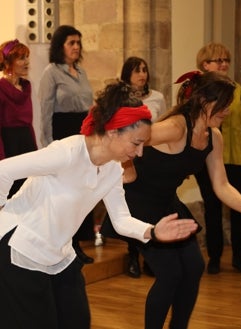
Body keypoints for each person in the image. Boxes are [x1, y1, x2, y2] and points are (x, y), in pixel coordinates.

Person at [0, 81, 198, 329]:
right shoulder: (67, 152)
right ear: (113, 131)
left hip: (59, 253)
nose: (139, 153)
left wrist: (153, 231)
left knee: (77, 320)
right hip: (20, 249)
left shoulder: (112, 169)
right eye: (136, 143)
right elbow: (3, 170)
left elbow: (121, 219)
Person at [101, 71, 241, 329]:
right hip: (139, 203)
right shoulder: (175, 128)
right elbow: (129, 136)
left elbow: (222, 184)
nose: (228, 110)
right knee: (171, 274)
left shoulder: (213, 137)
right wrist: (127, 168)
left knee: (194, 267)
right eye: (224, 103)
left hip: (166, 204)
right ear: (204, 101)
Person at [192, 42, 241, 274]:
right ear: (205, 64)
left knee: (240, 207)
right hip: (206, 159)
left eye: (226, 60)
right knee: (212, 208)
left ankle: (240, 256)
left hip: (234, 157)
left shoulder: (237, 89)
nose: (224, 64)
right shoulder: (198, 90)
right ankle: (214, 257)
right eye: (218, 60)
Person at [39, 25, 94, 263]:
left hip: (82, 133)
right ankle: (65, 245)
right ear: (60, 45)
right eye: (71, 42)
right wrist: (48, 145)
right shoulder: (51, 72)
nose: (76, 47)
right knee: (66, 192)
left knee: (82, 190)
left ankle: (78, 244)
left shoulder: (81, 72)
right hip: (62, 132)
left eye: (78, 43)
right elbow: (44, 111)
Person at [120, 56, 167, 277]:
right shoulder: (120, 98)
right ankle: (132, 255)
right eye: (137, 70)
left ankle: (152, 256)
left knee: (153, 206)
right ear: (127, 74)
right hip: (130, 157)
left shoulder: (157, 97)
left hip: (153, 158)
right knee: (133, 207)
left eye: (144, 70)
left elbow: (164, 126)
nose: (142, 74)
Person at [0, 39, 37, 197]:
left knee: (28, 192)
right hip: (9, 147)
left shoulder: (26, 87)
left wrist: (35, 152)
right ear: (9, 62)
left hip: (26, 144)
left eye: (27, 57)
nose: (26, 62)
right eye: (22, 58)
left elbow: (29, 124)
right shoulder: (1, 88)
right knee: (12, 195)